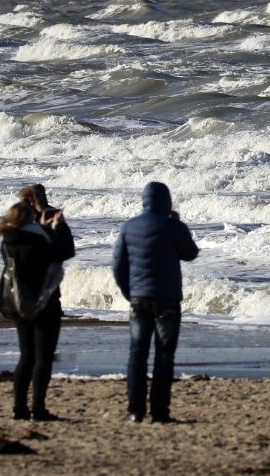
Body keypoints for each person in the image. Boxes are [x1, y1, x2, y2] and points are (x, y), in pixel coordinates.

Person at [111, 181, 199, 423]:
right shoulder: (173, 226)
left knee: (137, 354)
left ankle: (135, 411)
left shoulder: (129, 227)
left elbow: (118, 266)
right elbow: (190, 253)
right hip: (167, 299)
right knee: (164, 356)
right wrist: (180, 226)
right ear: (166, 201)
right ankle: (160, 412)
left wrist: (130, 293)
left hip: (139, 299)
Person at [0, 199, 75, 421]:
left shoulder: (8, 241)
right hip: (44, 304)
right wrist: (60, 226)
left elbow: (40, 248)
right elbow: (65, 251)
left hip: (19, 303)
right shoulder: (37, 242)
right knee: (43, 357)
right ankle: (38, 408)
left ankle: (19, 408)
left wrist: (43, 229)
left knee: (26, 357)